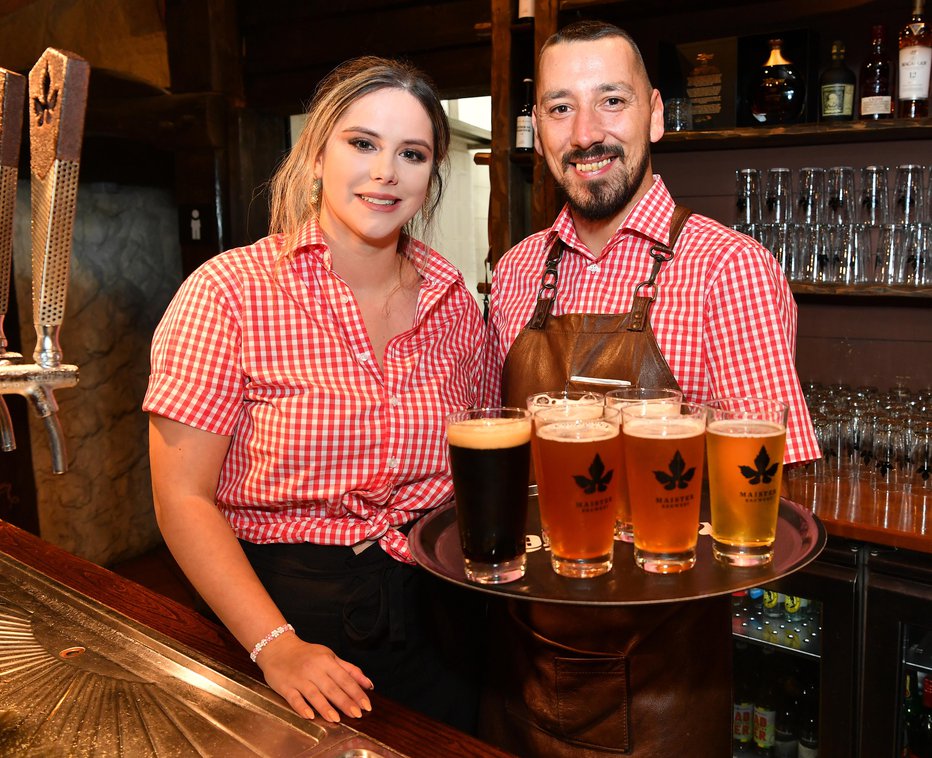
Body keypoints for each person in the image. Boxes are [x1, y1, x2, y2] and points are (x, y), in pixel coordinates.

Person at [481, 21, 820, 756]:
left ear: (658, 115)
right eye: (561, 107)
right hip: (512, 662)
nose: (588, 132)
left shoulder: (729, 269)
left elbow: (771, 490)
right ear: (537, 129)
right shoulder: (511, 274)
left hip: (661, 678)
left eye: (613, 100)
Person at [143, 56, 486, 732]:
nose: (386, 172)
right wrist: (277, 648)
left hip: (441, 622)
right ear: (316, 152)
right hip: (280, 617)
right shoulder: (228, 293)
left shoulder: (455, 305)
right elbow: (180, 498)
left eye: (411, 153)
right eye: (362, 143)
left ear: (430, 176)